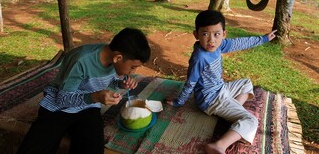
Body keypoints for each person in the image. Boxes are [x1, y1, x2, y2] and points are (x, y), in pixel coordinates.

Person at [17, 27, 151, 154]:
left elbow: (105, 80)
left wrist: (121, 84)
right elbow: (62, 98)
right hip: (58, 108)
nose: (133, 72)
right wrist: (95, 97)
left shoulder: (114, 58)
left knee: (92, 148)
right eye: (133, 67)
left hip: (88, 108)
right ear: (118, 58)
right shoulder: (81, 60)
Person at [166, 10, 277, 154]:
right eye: (205, 34)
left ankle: (232, 113)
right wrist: (178, 101)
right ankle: (219, 145)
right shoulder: (199, 57)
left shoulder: (220, 45)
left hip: (221, 89)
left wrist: (263, 39)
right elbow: (190, 83)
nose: (211, 40)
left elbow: (239, 43)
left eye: (216, 34)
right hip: (210, 99)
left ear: (224, 34)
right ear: (196, 35)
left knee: (246, 83)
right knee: (251, 120)